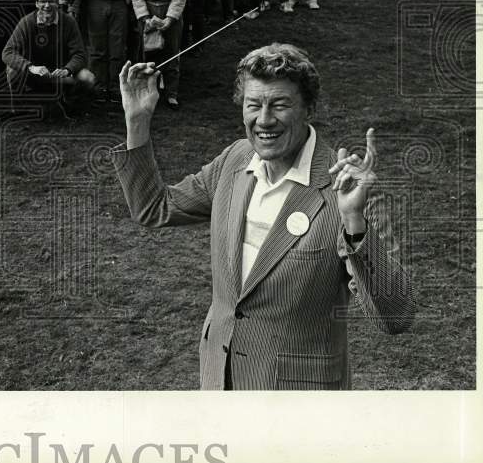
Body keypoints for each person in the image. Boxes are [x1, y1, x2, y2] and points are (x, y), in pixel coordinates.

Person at [112, 44, 414, 390]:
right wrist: (137, 122)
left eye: (280, 104)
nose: (264, 119)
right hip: (219, 379)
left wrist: (354, 222)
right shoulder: (236, 160)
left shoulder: (347, 191)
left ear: (308, 109)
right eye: (253, 105)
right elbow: (154, 207)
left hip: (296, 404)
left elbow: (396, 316)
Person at [1, 0, 96, 119]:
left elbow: (80, 54)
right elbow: (8, 52)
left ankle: (72, 107)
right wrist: (30, 67)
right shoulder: (27, 22)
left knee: (87, 77)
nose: (47, 6)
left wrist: (67, 70)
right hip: (36, 73)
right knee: (12, 70)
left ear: (57, 3)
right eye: (43, 1)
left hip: (61, 75)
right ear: (36, 3)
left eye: (51, 1)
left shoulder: (69, 22)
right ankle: (19, 109)